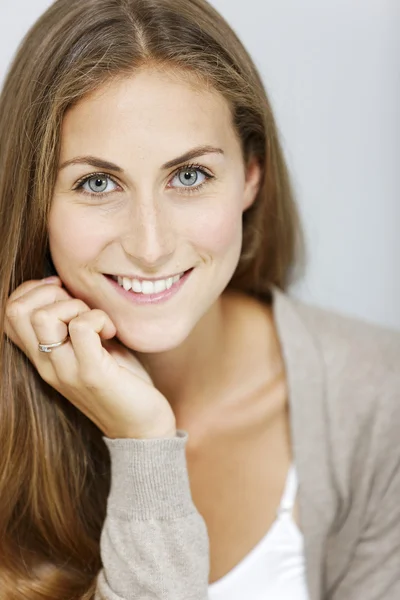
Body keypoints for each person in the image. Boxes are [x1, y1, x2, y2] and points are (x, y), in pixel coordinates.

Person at [0, 0, 399, 598]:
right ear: (35, 200)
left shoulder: (377, 397)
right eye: (97, 182)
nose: (151, 245)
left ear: (251, 175)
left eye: (188, 176)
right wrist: (144, 445)